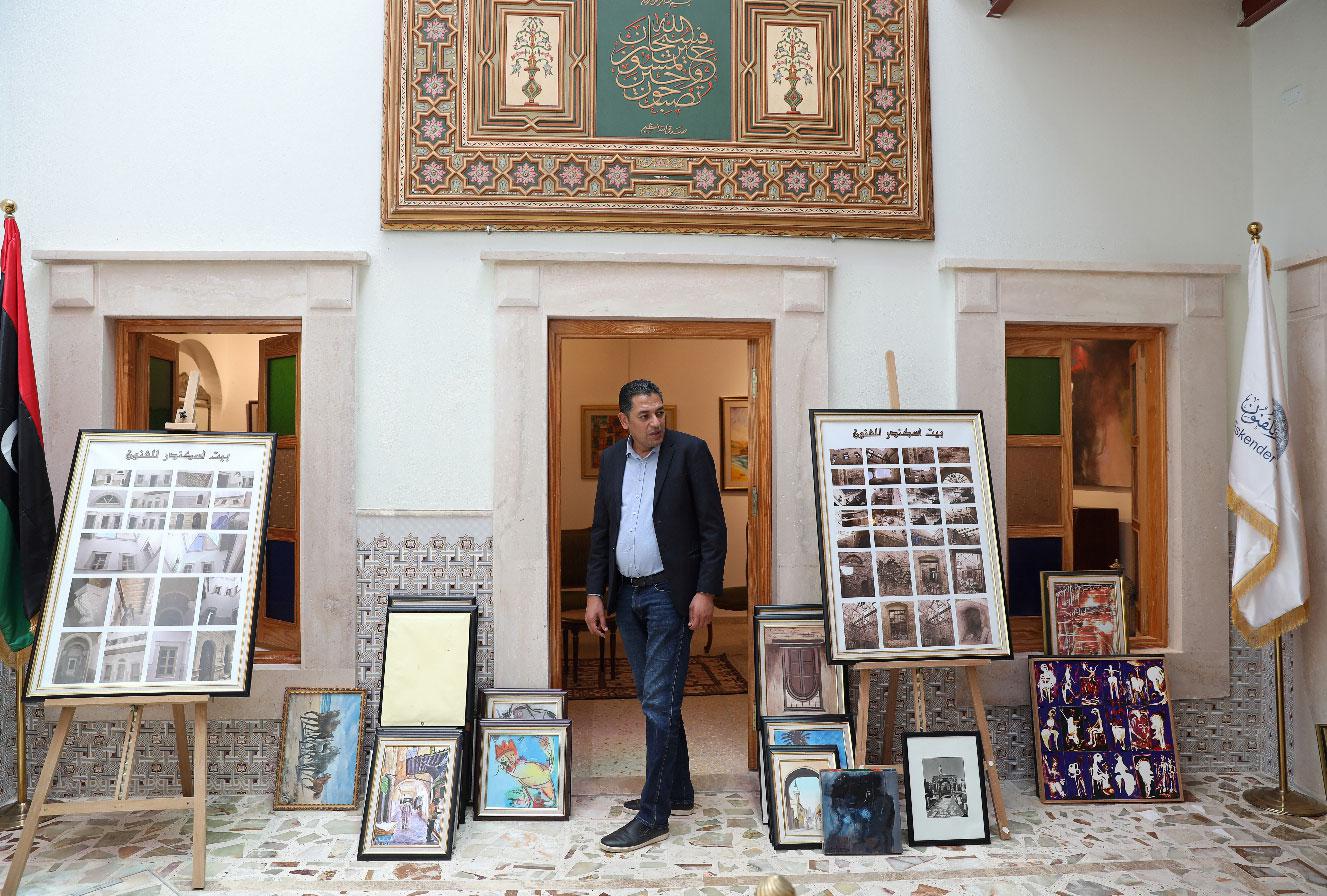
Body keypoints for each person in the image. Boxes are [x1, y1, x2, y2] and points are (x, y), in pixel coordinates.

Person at [585, 379, 726, 852]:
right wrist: (593, 593)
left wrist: (706, 590)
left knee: (657, 703)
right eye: (644, 416)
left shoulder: (690, 452)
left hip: (671, 595)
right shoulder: (610, 461)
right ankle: (679, 790)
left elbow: (713, 528)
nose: (656, 423)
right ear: (624, 420)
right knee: (656, 695)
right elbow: (602, 530)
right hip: (626, 596)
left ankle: (654, 814)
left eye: (660, 413)